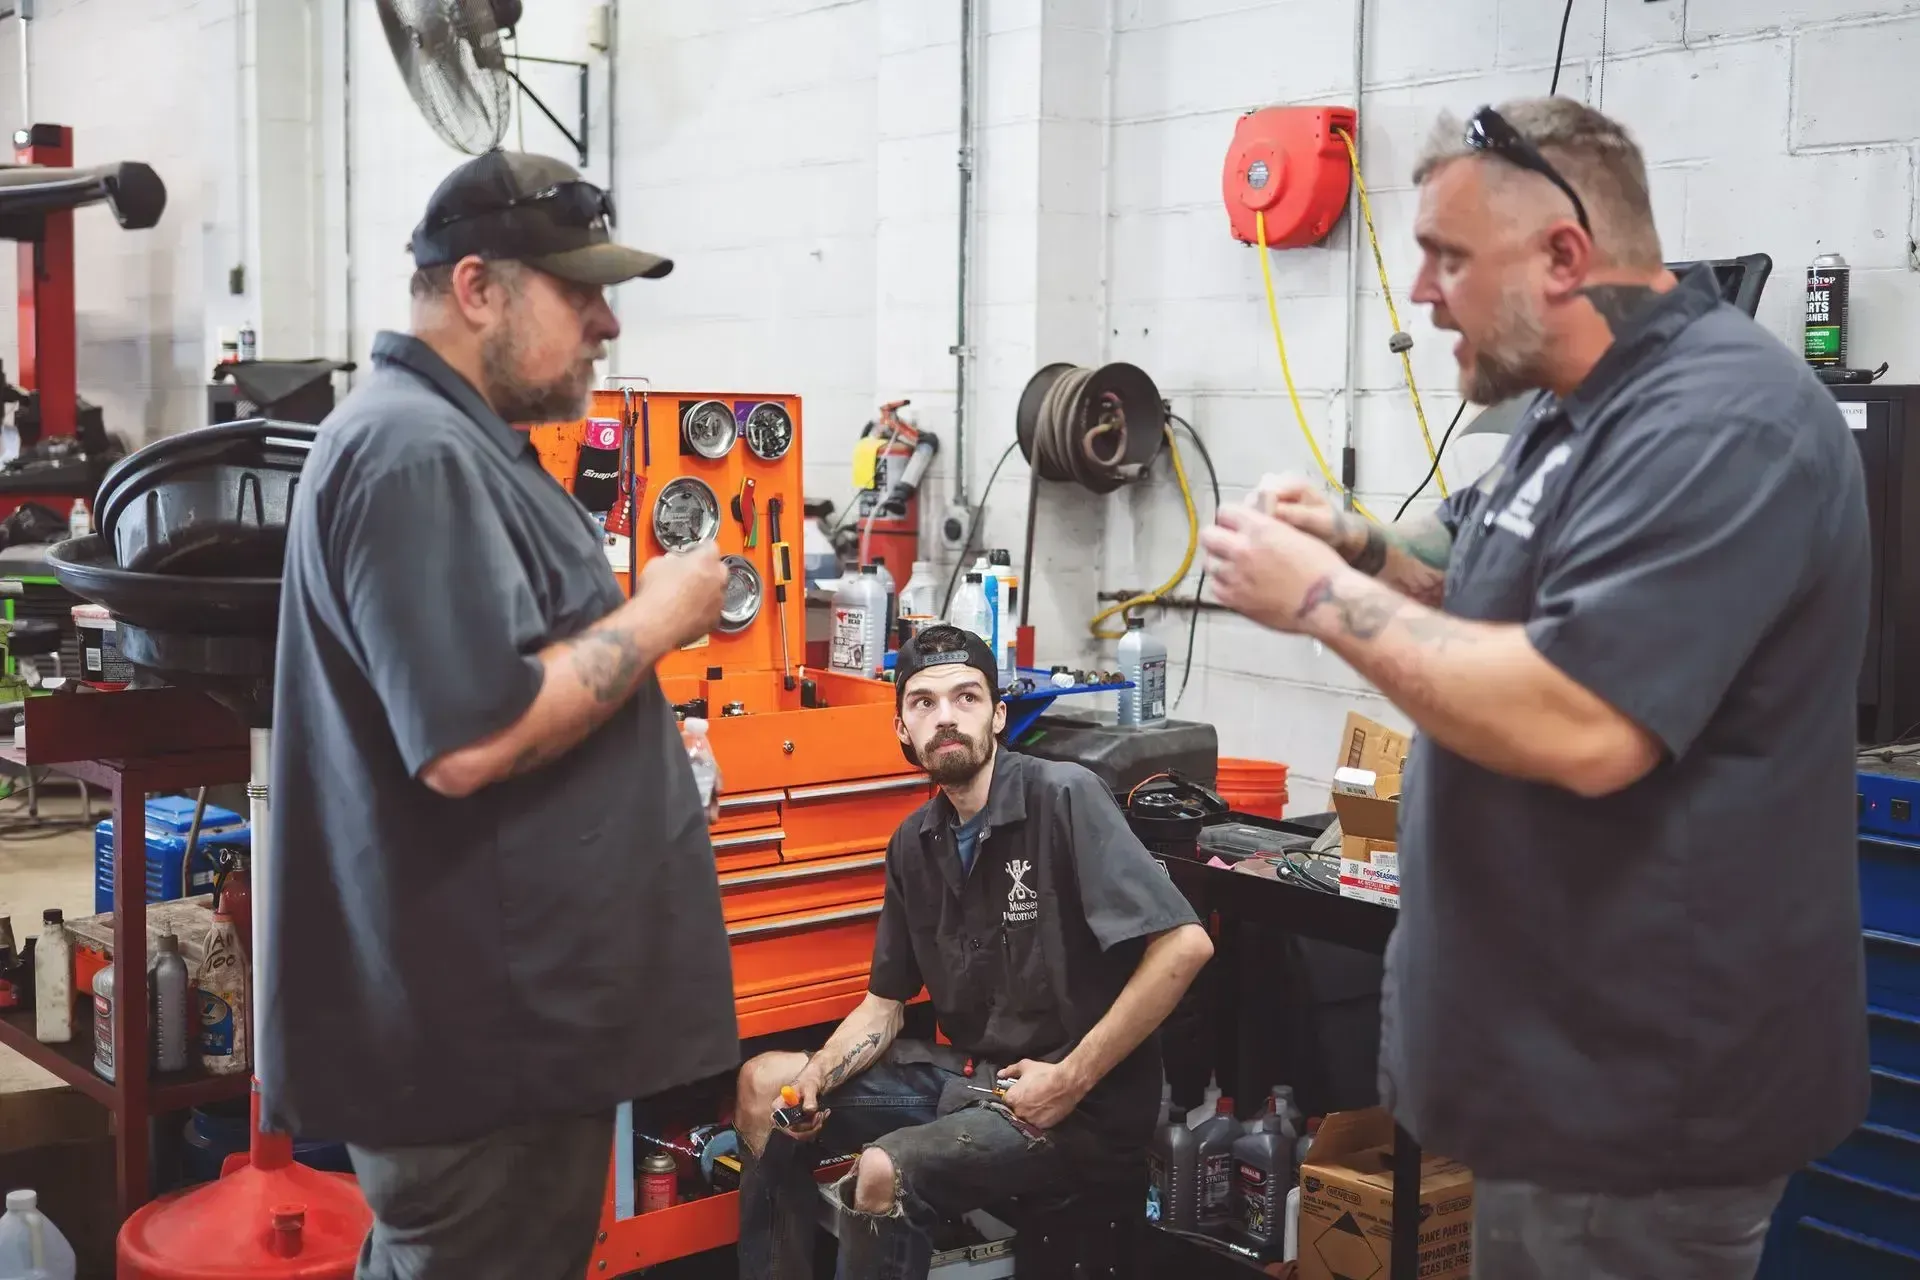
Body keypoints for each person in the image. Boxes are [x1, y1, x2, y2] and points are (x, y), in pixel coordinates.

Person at [1201, 98, 1871, 1279]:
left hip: (1641, 1094)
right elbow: (1469, 572)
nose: (1420, 292)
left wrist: (1316, 598)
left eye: (1448, 257)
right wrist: (1354, 543)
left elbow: (1581, 717)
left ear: (1565, 255)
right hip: (1545, 1068)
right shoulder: (1572, 414)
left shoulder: (1725, 421)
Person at [261, 150, 739, 1280]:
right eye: (581, 295)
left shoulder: (458, 442)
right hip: (479, 1053)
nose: (607, 324)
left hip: (505, 1041)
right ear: (478, 288)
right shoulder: (412, 452)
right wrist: (661, 615)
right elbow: (473, 740)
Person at [733, 625, 1214, 1280]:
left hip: (1082, 1105)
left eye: (966, 697)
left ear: (998, 714)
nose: (946, 717)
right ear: (902, 728)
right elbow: (884, 1006)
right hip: (973, 1081)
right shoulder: (915, 843)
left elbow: (1185, 945)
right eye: (923, 703)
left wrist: (1070, 1077)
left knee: (884, 1171)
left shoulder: (1063, 796)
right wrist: (817, 1075)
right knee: (766, 1085)